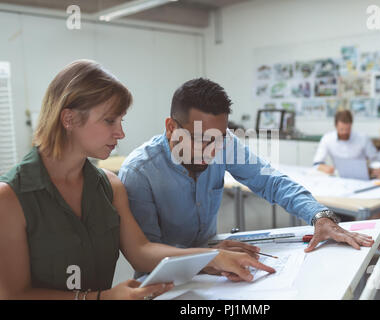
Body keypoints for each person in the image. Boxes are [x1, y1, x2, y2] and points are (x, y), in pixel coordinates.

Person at [0, 60, 276, 300]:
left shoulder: (109, 186)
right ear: (69, 119)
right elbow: (13, 295)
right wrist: (102, 297)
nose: (120, 133)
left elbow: (141, 251)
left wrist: (211, 258)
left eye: (122, 120)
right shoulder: (10, 197)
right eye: (110, 121)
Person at [119, 78, 374, 278]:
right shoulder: (140, 173)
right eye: (200, 140)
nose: (211, 152)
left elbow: (269, 180)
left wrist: (319, 216)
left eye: (218, 140)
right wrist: (208, 257)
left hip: (216, 267)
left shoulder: (223, 143)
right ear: (171, 127)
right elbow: (146, 255)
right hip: (164, 282)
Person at [313, 109, 378, 175]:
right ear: (335, 126)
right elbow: (316, 163)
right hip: (338, 176)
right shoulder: (327, 138)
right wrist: (325, 168)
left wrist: (371, 170)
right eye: (341, 129)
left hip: (360, 176)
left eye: (348, 129)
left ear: (351, 125)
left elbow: (376, 160)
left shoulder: (363, 138)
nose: (345, 132)